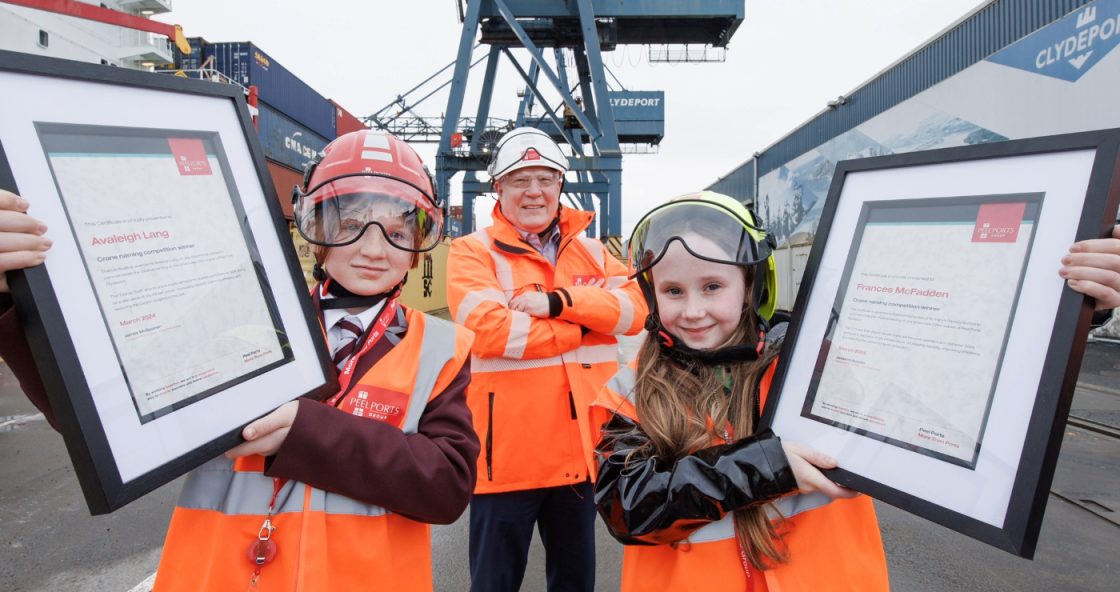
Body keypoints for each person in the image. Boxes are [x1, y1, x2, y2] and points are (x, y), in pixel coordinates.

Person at [0, 131, 479, 591]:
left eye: (397, 231)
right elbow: (99, 419)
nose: (375, 250)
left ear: (420, 243)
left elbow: (447, 486)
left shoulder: (440, 347)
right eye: (352, 225)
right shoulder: (239, 319)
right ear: (316, 230)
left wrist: (307, 432)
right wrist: (12, 300)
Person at [590, 191, 1120, 591]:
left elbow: (951, 356)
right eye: (673, 291)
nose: (694, 310)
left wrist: (1073, 309)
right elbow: (626, 506)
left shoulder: (816, 361)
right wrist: (765, 465)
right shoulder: (631, 389)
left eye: (713, 286)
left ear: (752, 285)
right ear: (652, 296)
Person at [445, 127, 647, 592]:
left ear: (560, 185)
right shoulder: (471, 252)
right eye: (519, 179)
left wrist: (558, 304)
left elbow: (637, 312)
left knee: (575, 583)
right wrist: (584, 322)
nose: (533, 191)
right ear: (498, 188)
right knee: (494, 583)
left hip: (581, 454)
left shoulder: (596, 252)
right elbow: (491, 331)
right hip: (507, 458)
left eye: (544, 178)